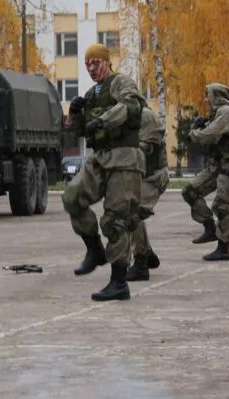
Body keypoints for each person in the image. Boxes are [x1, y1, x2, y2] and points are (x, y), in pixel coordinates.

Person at [62, 43, 144, 301]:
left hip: (124, 158)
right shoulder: (90, 94)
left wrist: (104, 120)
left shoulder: (121, 83)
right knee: (72, 197)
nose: (91, 68)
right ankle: (94, 249)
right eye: (87, 64)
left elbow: (131, 107)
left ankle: (119, 282)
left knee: (115, 220)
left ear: (107, 62)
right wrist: (75, 114)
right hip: (100, 158)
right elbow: (78, 132)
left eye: (96, 63)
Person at [182, 83, 229, 261]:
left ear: (216, 96)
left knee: (220, 205)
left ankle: (223, 248)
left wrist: (195, 131)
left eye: (208, 95)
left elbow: (209, 136)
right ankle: (210, 229)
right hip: (216, 166)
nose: (206, 99)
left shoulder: (227, 112)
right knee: (190, 191)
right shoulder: (218, 114)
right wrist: (201, 126)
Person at [127, 106, 168, 282]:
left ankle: (141, 263)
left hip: (153, 177)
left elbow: (146, 147)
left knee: (132, 214)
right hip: (138, 176)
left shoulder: (145, 116)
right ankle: (147, 253)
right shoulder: (120, 115)